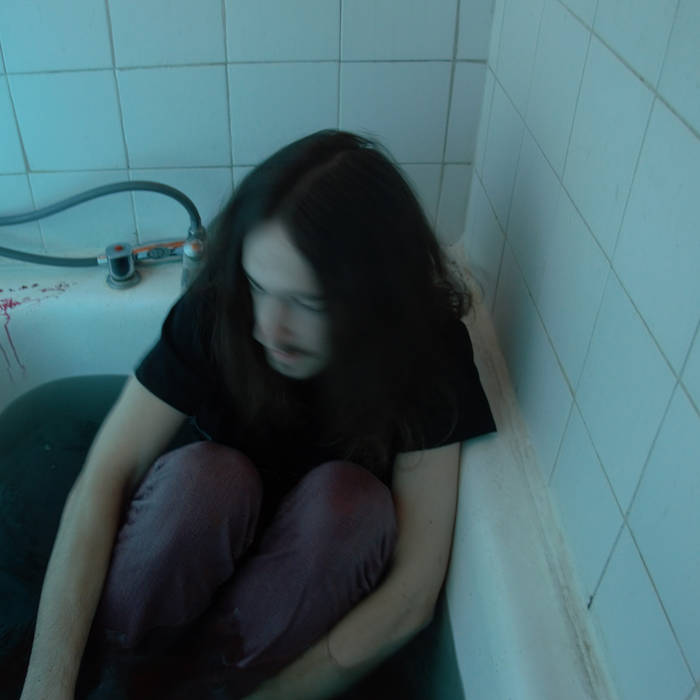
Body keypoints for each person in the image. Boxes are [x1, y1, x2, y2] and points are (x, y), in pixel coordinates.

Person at [19, 129, 496, 700]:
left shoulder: (426, 351)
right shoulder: (222, 309)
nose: (270, 328)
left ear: (377, 297)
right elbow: (105, 476)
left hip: (287, 611)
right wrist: (46, 686)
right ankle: (115, 673)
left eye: (307, 302)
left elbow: (413, 591)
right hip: (183, 559)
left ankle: (212, 688)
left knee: (352, 507)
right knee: (208, 480)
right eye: (258, 285)